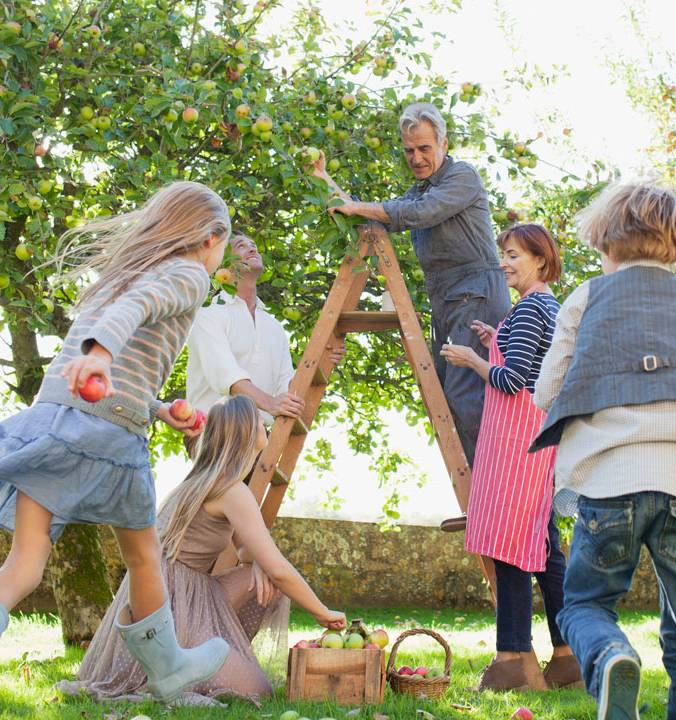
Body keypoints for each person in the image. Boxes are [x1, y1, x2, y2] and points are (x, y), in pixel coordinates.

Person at [0, 182, 233, 703]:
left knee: (25, 561)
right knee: (146, 556)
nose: (218, 261)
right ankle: (169, 668)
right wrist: (102, 355)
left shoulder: (121, 279)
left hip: (57, 423)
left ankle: (168, 667)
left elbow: (120, 359)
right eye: (223, 248)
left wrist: (160, 408)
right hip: (106, 434)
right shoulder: (188, 274)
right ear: (210, 237)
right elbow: (134, 313)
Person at [531, 183, 676, 720]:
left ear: (606, 239)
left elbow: (547, 393)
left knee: (585, 606)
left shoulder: (587, 297)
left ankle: (611, 655)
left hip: (609, 483)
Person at [59, 395, 346, 705]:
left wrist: (260, 563)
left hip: (190, 590)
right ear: (248, 433)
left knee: (263, 578)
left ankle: (218, 654)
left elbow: (249, 552)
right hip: (173, 601)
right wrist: (322, 612)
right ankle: (191, 669)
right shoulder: (230, 489)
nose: (266, 425)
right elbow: (280, 568)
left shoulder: (210, 481)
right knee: (257, 689)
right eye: (260, 421)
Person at [312, 102, 510, 474]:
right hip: (448, 301)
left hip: (476, 294)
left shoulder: (462, 177)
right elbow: (372, 213)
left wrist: (357, 208)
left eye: (424, 148)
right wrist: (325, 180)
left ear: (443, 143)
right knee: (447, 395)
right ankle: (483, 485)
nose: (416, 157)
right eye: (408, 150)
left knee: (467, 395)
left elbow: (417, 214)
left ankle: (498, 482)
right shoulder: (416, 191)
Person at [440, 223, 580, 691]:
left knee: (509, 548)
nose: (505, 262)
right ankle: (567, 657)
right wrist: (492, 341)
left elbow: (511, 381)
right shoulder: (549, 308)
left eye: (514, 254)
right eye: (504, 253)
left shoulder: (530, 311)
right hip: (539, 445)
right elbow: (531, 366)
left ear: (541, 260)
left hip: (514, 451)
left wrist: (471, 360)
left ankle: (513, 662)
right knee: (541, 550)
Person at [186, 232, 345, 442]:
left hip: (258, 436)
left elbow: (285, 387)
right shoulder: (208, 315)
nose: (253, 249)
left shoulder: (273, 327)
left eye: (254, 245)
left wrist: (321, 364)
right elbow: (226, 376)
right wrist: (271, 403)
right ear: (222, 264)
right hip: (213, 431)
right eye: (242, 246)